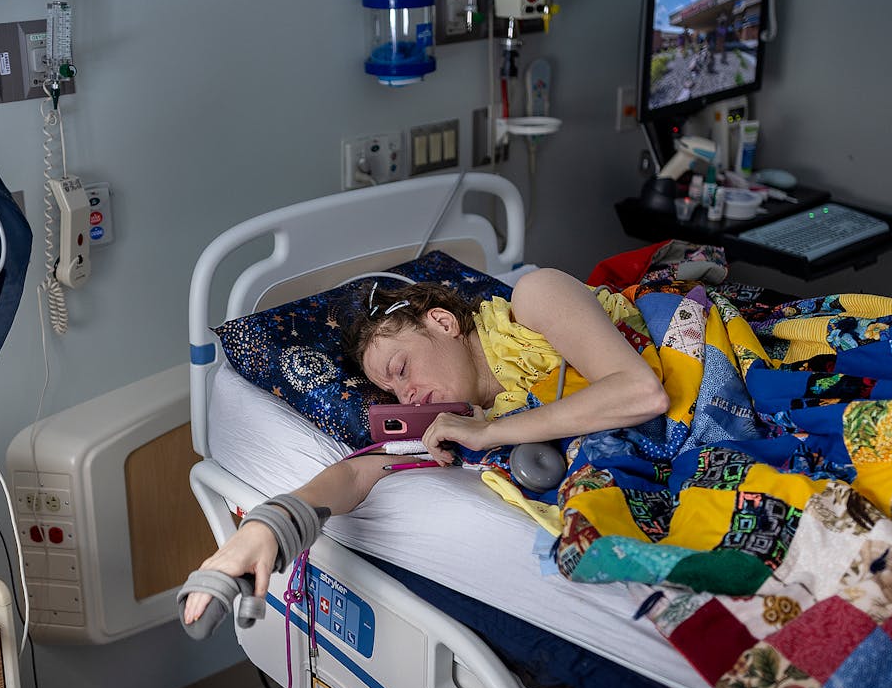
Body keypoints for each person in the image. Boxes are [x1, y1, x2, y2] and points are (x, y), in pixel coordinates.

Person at [180, 267, 669, 626]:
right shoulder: (455, 422)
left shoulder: (537, 298)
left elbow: (639, 390)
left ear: (442, 322)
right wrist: (266, 530)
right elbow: (354, 474)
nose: (406, 395)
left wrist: (491, 434)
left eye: (401, 369)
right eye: (391, 393)